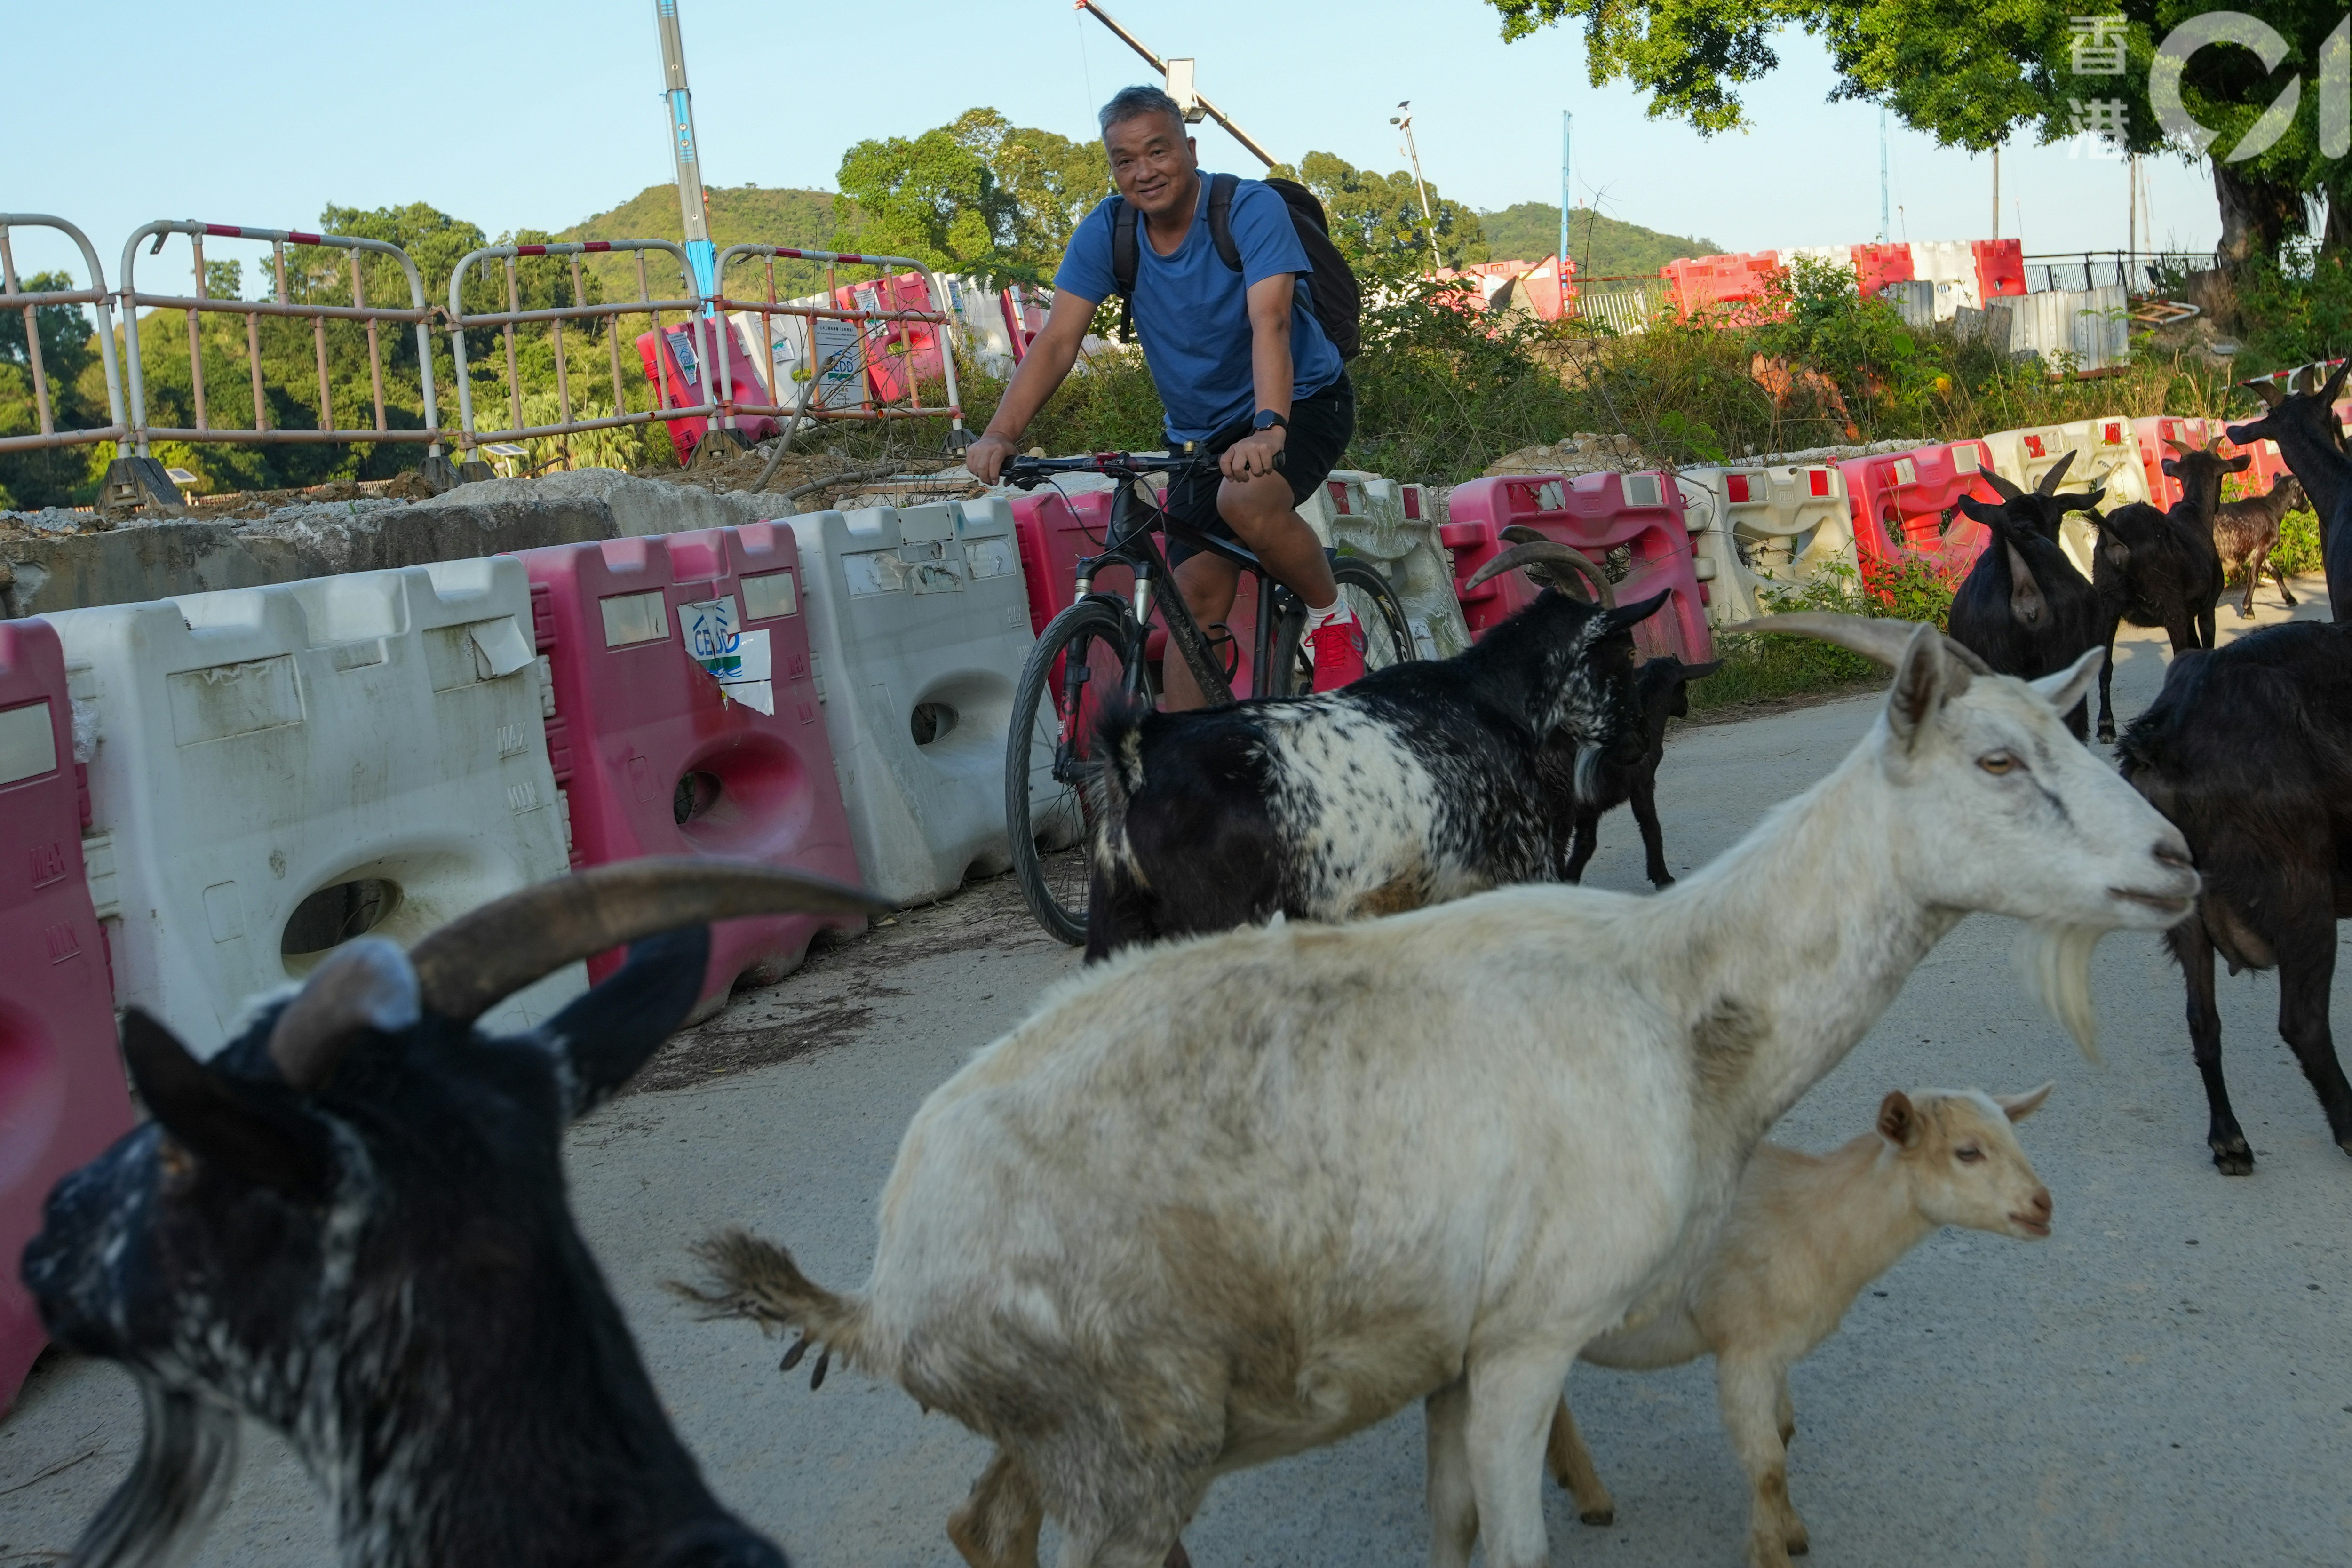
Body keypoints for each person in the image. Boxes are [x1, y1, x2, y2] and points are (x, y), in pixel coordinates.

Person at [964, 85, 1365, 705]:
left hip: (1300, 399)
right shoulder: (1110, 231)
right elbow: (1056, 342)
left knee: (1248, 500)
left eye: (1158, 150)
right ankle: (1181, 776)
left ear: (1191, 147)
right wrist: (1001, 432)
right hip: (1199, 431)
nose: (1144, 171)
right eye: (1125, 160)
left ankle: (1333, 619)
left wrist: (1268, 429)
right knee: (1193, 602)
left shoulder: (1249, 210)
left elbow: (1273, 322)